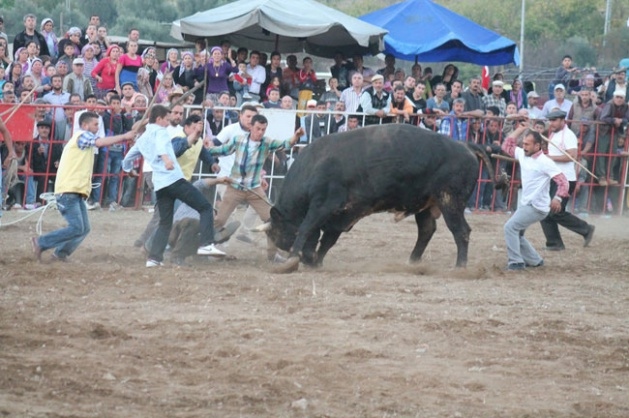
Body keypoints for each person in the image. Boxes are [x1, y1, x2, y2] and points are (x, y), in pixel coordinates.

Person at [122, 105, 226, 267]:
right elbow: (163, 147)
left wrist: (128, 170)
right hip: (174, 179)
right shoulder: (161, 131)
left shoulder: (142, 139)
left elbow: (128, 157)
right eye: (166, 119)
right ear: (158, 119)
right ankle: (206, 244)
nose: (168, 123)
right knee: (205, 207)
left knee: (165, 222)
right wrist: (166, 160)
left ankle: (154, 259)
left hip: (160, 185)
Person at [30, 112, 135, 262]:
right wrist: (124, 137)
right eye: (95, 124)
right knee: (78, 228)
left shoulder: (81, 138)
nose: (97, 127)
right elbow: (99, 142)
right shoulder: (82, 136)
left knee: (84, 228)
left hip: (74, 190)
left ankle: (60, 254)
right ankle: (41, 243)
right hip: (69, 190)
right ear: (85, 125)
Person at [207, 114, 304, 261]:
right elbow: (223, 150)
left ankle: (272, 255)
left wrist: (295, 137)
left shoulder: (267, 142)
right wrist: (208, 149)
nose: (260, 132)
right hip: (235, 187)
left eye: (263, 129)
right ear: (251, 127)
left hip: (254, 188)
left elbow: (286, 144)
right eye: (258, 129)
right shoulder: (238, 140)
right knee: (220, 220)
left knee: (272, 220)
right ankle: (204, 246)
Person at [500, 125, 570, 271]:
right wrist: (520, 129)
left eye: (527, 144)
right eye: (523, 143)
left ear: (537, 145)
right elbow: (507, 145)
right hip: (528, 204)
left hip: (536, 206)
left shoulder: (545, 162)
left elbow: (563, 181)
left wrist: (557, 198)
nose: (524, 147)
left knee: (510, 227)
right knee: (517, 232)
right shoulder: (522, 154)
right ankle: (535, 260)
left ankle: (516, 262)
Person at [540, 110, 596, 250]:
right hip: (556, 177)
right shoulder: (554, 133)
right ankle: (554, 243)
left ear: (562, 120)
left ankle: (586, 229)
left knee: (554, 211)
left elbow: (572, 156)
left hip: (566, 179)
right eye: (550, 120)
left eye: (554, 120)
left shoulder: (569, 136)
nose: (551, 123)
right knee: (546, 211)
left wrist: (549, 158)